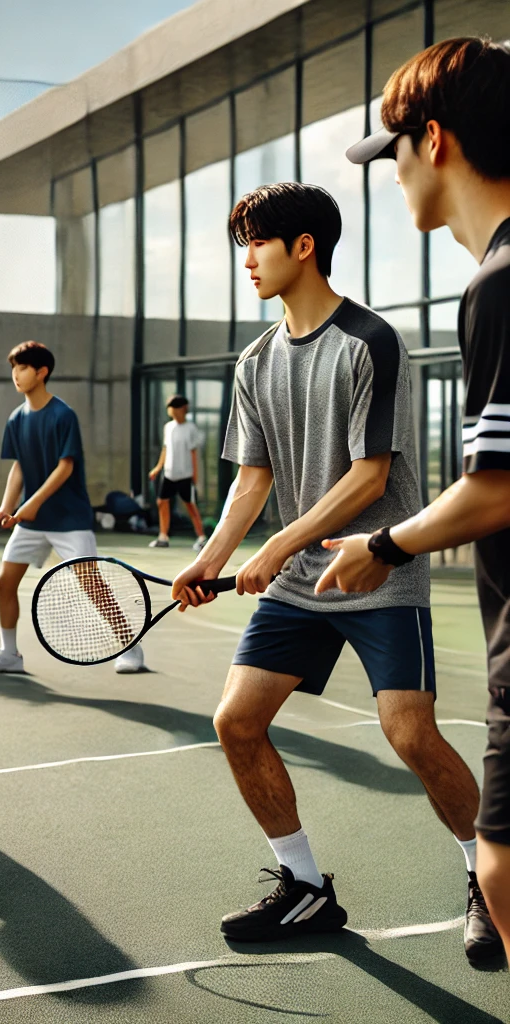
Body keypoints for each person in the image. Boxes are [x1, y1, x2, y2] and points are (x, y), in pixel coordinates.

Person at [170, 181, 497, 960]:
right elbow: (252, 481)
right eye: (240, 245)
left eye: (256, 243)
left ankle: (487, 876)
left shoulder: (371, 342)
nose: (245, 260)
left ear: (304, 246)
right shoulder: (254, 361)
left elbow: (369, 477)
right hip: (296, 585)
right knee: (237, 722)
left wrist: (277, 547)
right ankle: (306, 889)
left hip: (379, 568)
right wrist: (211, 558)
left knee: (409, 733)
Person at [319, 36, 510, 955]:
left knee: (503, 871)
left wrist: (381, 545)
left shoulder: (501, 286)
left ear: (433, 141)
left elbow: (497, 490)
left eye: (392, 151)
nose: (389, 174)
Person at [0, 341, 145, 675]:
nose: (16, 375)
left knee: (91, 586)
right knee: (4, 582)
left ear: (42, 372)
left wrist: (33, 503)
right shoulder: (16, 418)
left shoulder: (63, 415)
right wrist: (6, 505)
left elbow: (65, 467)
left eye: (23, 368)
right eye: (14, 368)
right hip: (32, 522)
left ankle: (130, 645)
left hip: (70, 518)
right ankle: (9, 654)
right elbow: (19, 467)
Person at [147, 394, 207, 551]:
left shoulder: (191, 428)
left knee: (190, 505)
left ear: (183, 409)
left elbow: (194, 453)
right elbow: (165, 449)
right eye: (170, 407)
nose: (171, 410)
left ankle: (202, 538)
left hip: (185, 475)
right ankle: (163, 537)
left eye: (174, 407)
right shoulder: (168, 427)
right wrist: (158, 468)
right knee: (162, 502)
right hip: (169, 474)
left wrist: (195, 475)